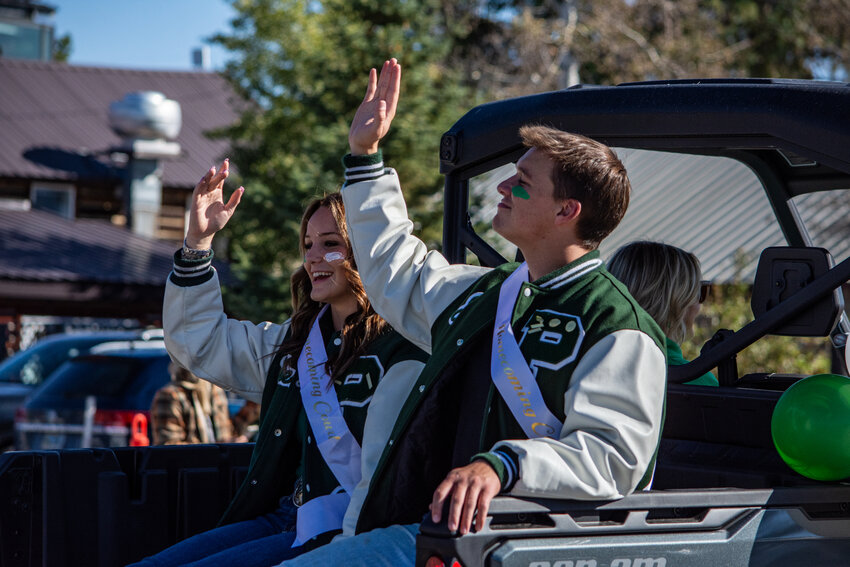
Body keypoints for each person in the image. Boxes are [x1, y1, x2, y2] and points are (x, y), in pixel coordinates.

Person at [276, 59, 667, 567]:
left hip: (519, 547)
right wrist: (365, 157)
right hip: (441, 534)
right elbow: (396, 267)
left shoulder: (618, 324)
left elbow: (613, 458)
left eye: (523, 181)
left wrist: (502, 465)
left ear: (566, 212)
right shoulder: (486, 294)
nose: (504, 187)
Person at [130, 162, 428, 567]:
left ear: (365, 250)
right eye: (307, 245)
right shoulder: (294, 344)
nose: (313, 258)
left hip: (347, 530)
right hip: (287, 516)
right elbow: (202, 343)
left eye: (330, 244)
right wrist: (198, 243)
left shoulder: (407, 345)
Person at [607, 241, 718, 386]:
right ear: (675, 304)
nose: (699, 305)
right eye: (700, 292)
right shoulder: (697, 381)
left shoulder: (586, 364)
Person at [150, 362, 238, 445]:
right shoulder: (169, 395)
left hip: (220, 460)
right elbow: (168, 448)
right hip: (193, 461)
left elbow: (226, 434)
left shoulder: (215, 390)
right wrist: (214, 451)